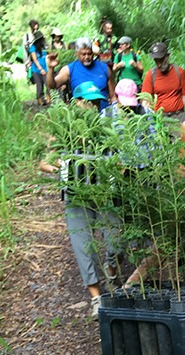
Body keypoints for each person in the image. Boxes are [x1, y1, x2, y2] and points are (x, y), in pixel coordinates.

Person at [39, 81, 124, 316]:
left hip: (104, 194)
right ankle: (96, 298)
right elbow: (44, 162)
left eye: (96, 102)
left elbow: (119, 158)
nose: (92, 106)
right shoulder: (64, 130)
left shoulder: (106, 127)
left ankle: (111, 270)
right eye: (87, 102)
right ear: (76, 102)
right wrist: (57, 166)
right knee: (83, 247)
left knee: (117, 242)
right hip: (76, 197)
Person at [46, 37, 116, 110]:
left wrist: (116, 110)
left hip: (104, 114)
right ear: (76, 53)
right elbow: (52, 86)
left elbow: (113, 96)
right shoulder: (69, 69)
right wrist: (50, 68)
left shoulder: (104, 68)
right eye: (83, 54)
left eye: (89, 54)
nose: (87, 57)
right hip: (82, 115)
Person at [140, 42, 185, 121]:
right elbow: (146, 101)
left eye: (161, 60)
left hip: (178, 116)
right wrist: (149, 121)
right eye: (156, 61)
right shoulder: (150, 75)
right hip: (160, 118)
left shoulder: (179, 72)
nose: (159, 64)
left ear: (168, 56)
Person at [28, 30, 51, 106]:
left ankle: (48, 99)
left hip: (45, 69)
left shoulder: (44, 47)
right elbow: (35, 59)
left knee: (48, 84)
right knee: (39, 86)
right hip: (36, 70)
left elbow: (49, 55)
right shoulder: (33, 48)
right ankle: (40, 100)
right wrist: (40, 69)